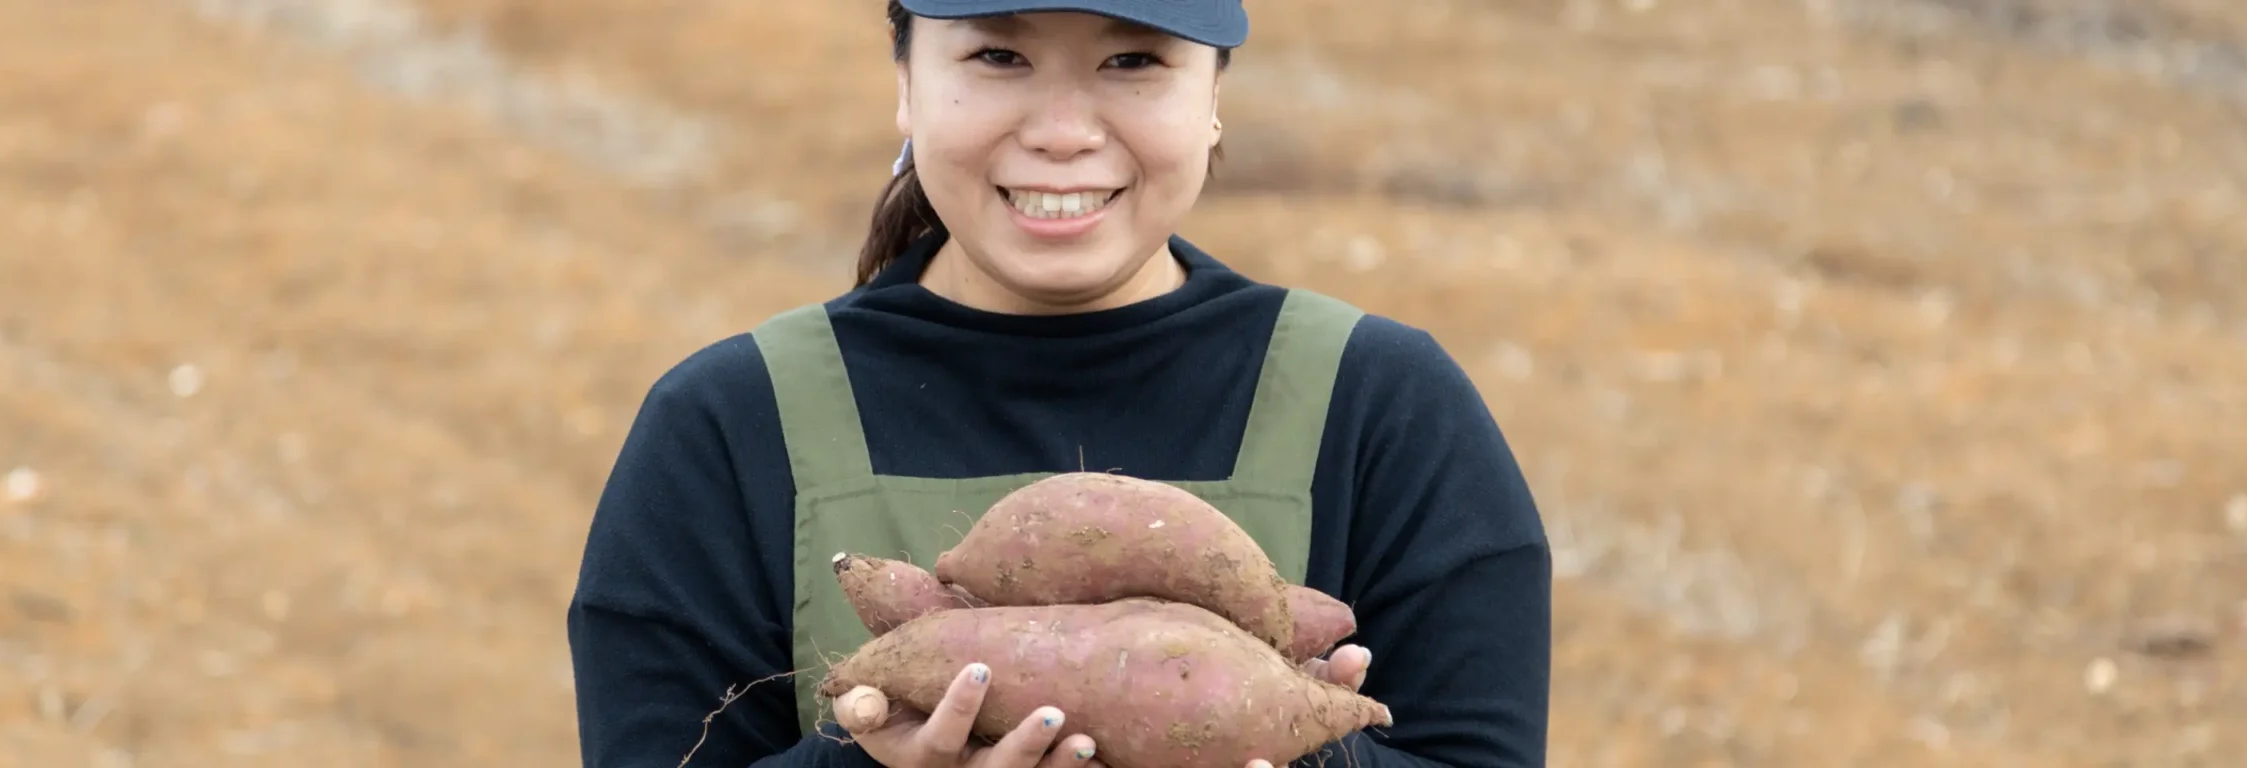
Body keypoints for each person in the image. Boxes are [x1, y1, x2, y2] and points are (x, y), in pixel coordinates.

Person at [564, 0, 1552, 765]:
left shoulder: (1380, 406)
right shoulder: (730, 427)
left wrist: (1297, 743)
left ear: (1212, 97)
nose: (1064, 131)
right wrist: (872, 759)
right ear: (905, 82)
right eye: (999, 56)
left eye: (1133, 60)